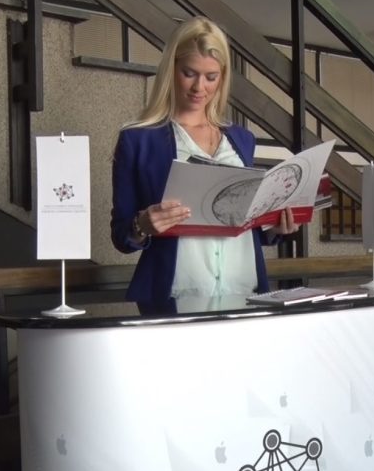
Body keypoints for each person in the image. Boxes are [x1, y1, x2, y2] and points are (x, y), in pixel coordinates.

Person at [110, 17, 298, 314]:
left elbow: (244, 222)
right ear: (171, 69)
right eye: (189, 73)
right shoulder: (137, 139)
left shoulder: (242, 139)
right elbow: (121, 234)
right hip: (174, 294)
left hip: (244, 288)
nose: (200, 87)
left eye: (211, 77)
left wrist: (274, 227)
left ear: (222, 77)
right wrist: (141, 225)